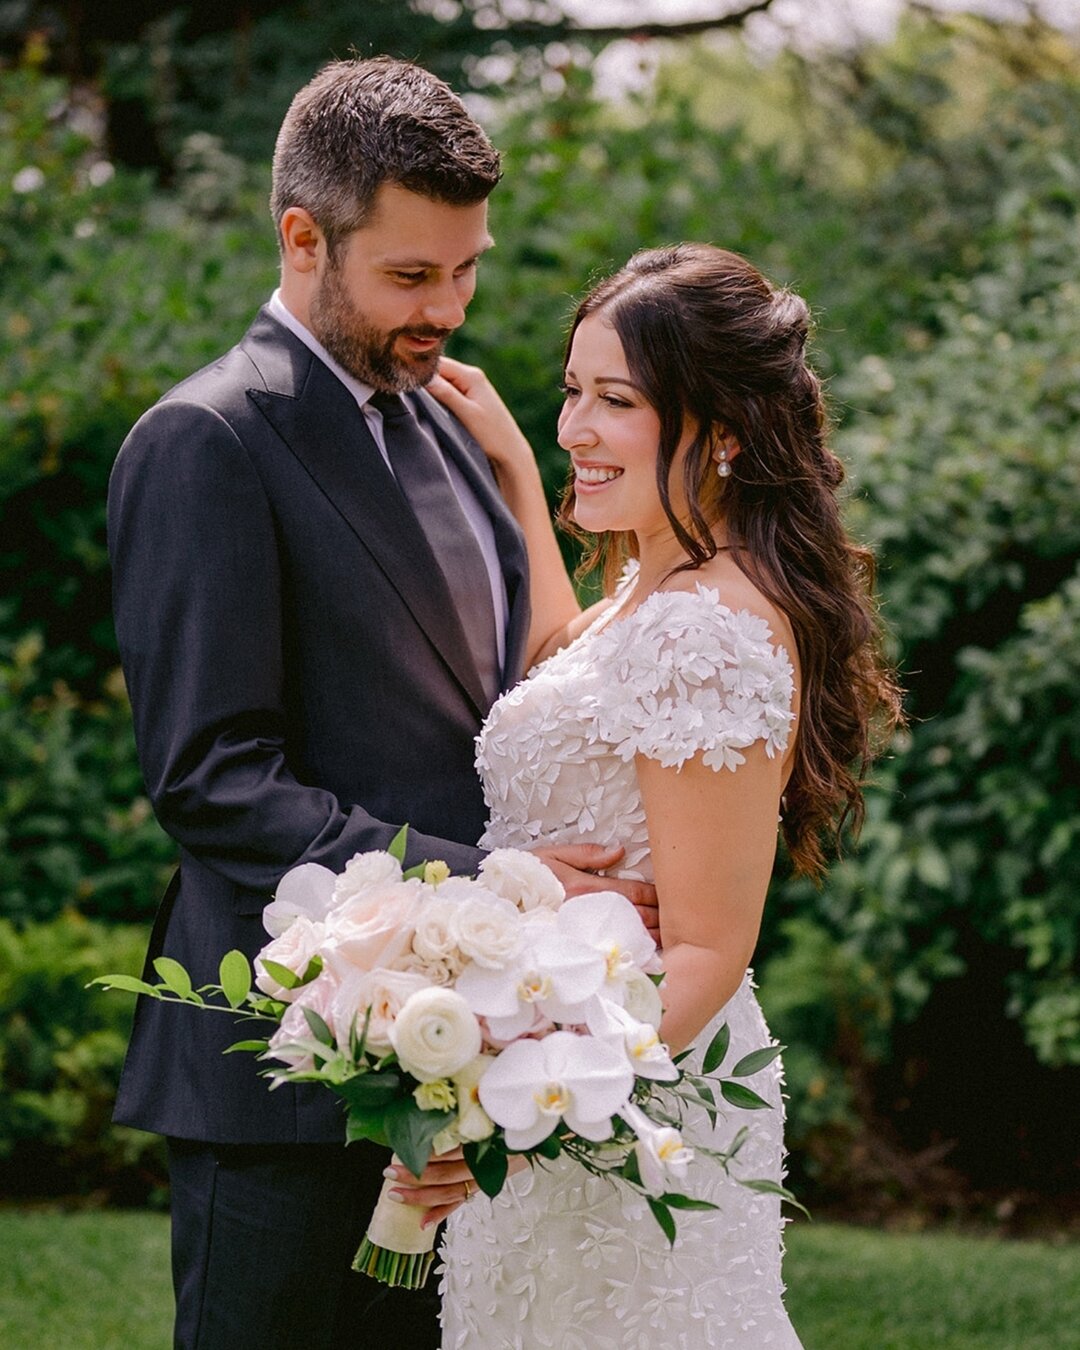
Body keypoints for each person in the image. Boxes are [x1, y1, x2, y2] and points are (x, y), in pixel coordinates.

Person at [107, 57, 657, 1350]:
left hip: (469, 1063)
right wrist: (496, 884)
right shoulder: (208, 439)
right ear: (303, 237)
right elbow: (211, 774)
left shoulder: (452, 423)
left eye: (466, 269)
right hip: (285, 1070)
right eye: (415, 275)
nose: (450, 308)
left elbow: (504, 690)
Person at [385, 242, 903, 1346]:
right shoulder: (649, 588)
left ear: (721, 432)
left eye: (613, 401)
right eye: (572, 391)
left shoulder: (706, 630)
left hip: (624, 1099)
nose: (577, 425)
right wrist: (524, 473)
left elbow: (711, 951)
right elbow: (550, 666)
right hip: (566, 1073)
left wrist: (513, 1114)